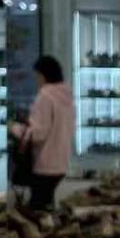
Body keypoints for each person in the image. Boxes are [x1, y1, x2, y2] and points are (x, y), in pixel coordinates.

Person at [13, 55, 74, 210]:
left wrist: (14, 128)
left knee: (36, 210)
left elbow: (38, 134)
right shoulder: (67, 96)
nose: (37, 81)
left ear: (43, 75)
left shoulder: (45, 97)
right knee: (46, 204)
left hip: (44, 163)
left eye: (37, 76)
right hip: (61, 163)